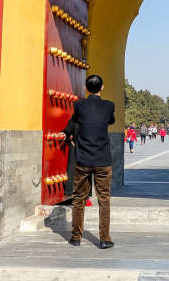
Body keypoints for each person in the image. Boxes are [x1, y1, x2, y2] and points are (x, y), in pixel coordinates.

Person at [62, 75, 115, 249]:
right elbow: (110, 120)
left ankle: (76, 237)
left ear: (86, 87)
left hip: (83, 159)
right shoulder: (109, 106)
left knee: (78, 199)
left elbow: (76, 119)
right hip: (102, 160)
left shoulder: (79, 105)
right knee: (104, 199)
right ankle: (105, 238)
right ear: (103, 87)